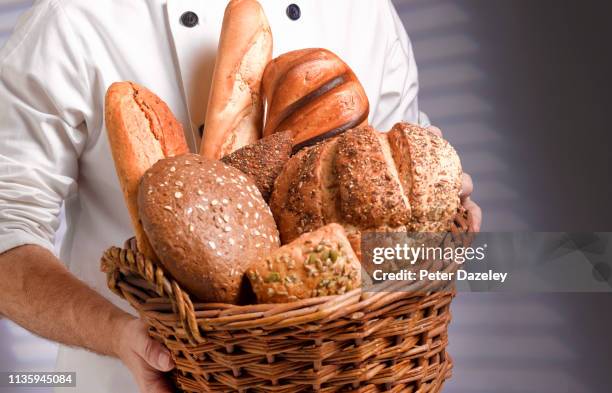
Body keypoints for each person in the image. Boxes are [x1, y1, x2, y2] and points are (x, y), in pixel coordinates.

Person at [0, 0, 481, 392]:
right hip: (134, 380)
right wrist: (118, 335)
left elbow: (398, 204)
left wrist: (440, 229)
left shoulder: (365, 12)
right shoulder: (73, 21)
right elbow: (7, 237)